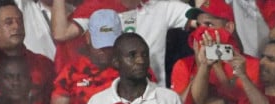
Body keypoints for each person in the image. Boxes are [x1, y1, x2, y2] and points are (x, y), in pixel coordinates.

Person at [51, 0, 189, 88]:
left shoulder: (161, 7)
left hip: (151, 93)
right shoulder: (98, 8)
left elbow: (198, 17)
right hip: (107, 90)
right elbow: (61, 33)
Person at [50, 9, 121, 104]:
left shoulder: (130, 68)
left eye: (109, 45)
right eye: (100, 43)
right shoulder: (71, 71)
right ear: (88, 37)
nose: (104, 50)